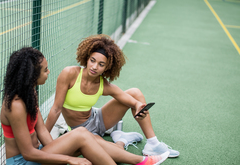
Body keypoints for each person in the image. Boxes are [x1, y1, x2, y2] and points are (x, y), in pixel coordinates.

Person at [0, 47, 169, 165]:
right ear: (32, 74)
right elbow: (28, 153)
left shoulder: (29, 93)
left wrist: (59, 153)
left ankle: (136, 163)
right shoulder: (15, 106)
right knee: (80, 134)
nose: (48, 72)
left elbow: (42, 132)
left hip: (37, 155)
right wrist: (69, 159)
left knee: (83, 136)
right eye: (45, 70)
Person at [45, 34, 179, 157]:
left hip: (98, 120)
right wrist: (44, 141)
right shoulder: (69, 74)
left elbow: (130, 98)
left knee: (135, 93)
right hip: (80, 131)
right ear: (87, 57)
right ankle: (121, 140)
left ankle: (153, 144)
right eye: (92, 60)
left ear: (107, 67)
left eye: (101, 64)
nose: (94, 67)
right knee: (117, 155)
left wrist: (138, 105)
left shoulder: (103, 84)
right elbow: (56, 109)